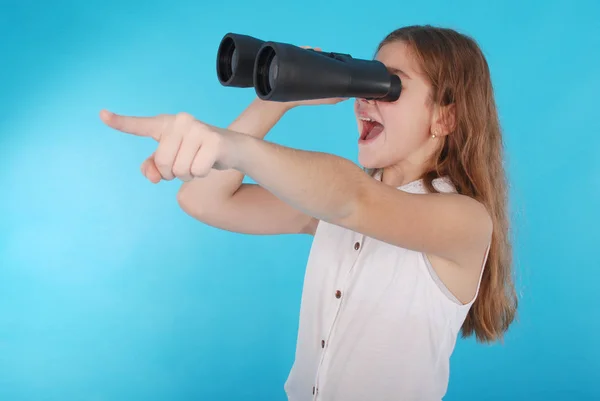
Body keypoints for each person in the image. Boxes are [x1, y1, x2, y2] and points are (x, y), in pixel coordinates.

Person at [100, 24, 518, 401]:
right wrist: (277, 99)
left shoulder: (464, 221)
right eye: (367, 80)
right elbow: (203, 200)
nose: (363, 100)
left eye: (389, 86)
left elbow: (354, 200)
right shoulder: (328, 210)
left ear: (444, 116)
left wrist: (228, 145)